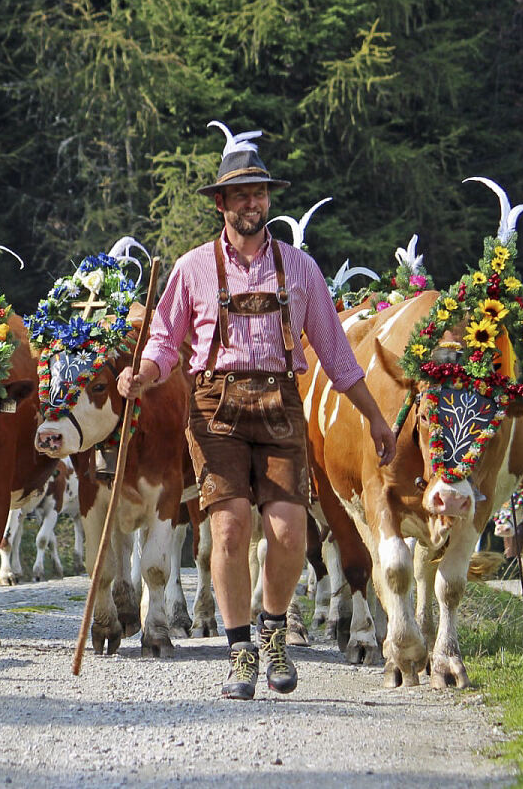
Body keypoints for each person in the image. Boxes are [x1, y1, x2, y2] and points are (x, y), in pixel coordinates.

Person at [117, 122, 396, 700]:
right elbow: (165, 342)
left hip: (279, 407)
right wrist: (141, 374)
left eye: (260, 193)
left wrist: (374, 416)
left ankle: (273, 633)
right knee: (229, 525)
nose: (253, 202)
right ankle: (240, 647)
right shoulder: (191, 268)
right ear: (220, 203)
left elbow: (337, 355)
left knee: (289, 531)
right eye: (241, 193)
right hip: (214, 408)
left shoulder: (300, 269)